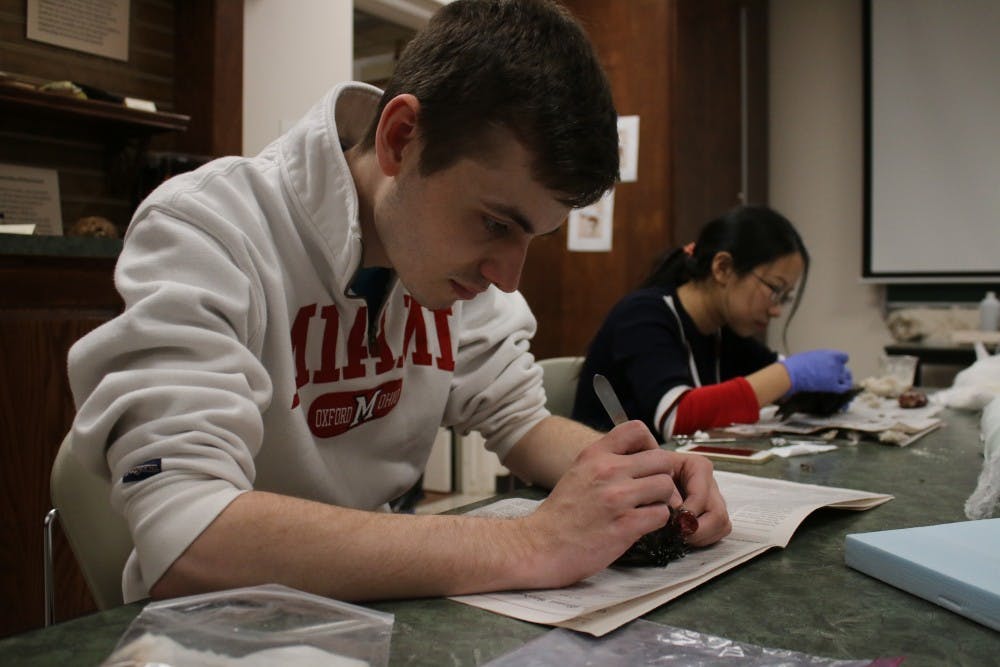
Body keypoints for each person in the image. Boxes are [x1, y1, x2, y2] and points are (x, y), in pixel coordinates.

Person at [66, 0, 731, 604]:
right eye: (497, 223)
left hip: (366, 613)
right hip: (218, 633)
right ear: (400, 138)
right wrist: (530, 543)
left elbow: (523, 423)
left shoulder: (444, 261)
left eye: (533, 235)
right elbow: (190, 540)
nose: (507, 275)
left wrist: (644, 485)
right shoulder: (209, 230)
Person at [572, 205, 853, 439]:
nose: (777, 311)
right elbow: (677, 417)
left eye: (785, 298)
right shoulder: (642, 316)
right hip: (612, 486)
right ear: (723, 268)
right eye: (775, 290)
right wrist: (789, 375)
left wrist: (823, 391)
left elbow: (776, 386)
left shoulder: (722, 329)